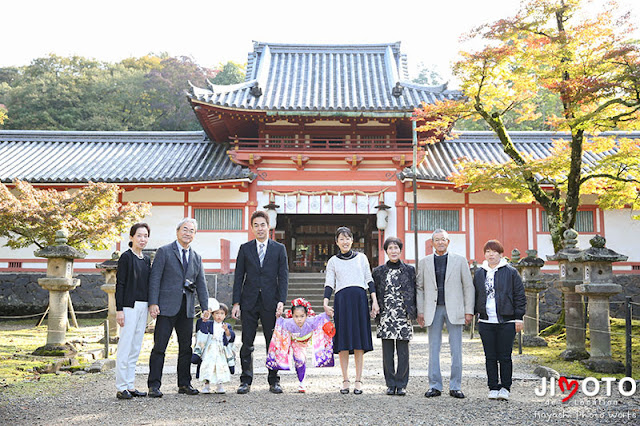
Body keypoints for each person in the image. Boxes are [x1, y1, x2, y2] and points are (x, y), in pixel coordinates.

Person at [147, 218, 210, 398]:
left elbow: (201, 284)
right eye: (185, 229)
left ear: (194, 235)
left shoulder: (196, 257)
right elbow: (155, 278)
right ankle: (154, 385)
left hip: (187, 307)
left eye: (191, 231)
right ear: (177, 231)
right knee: (160, 346)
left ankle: (184, 383)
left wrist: (205, 307)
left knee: (186, 348)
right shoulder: (165, 252)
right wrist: (153, 302)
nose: (187, 233)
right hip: (166, 306)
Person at [232, 210, 289, 394]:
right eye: (255, 225)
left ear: (268, 226)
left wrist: (281, 300)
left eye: (262, 225)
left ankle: (274, 380)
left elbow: (283, 277)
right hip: (249, 301)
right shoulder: (245, 248)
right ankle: (245, 380)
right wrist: (236, 303)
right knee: (247, 342)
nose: (259, 228)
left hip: (270, 302)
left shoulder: (279, 249)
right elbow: (238, 276)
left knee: (272, 343)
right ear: (252, 228)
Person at [417, 229, 474, 399]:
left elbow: (468, 286)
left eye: (443, 240)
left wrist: (468, 310)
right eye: (437, 240)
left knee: (456, 349)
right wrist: (420, 310)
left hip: (455, 308)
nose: (440, 242)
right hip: (432, 309)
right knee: (433, 348)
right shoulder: (424, 262)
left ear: (448, 242)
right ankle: (434, 385)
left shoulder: (459, 260)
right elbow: (419, 287)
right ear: (432, 243)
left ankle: (455, 386)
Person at [323, 226, 379, 395]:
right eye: (341, 238)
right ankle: (345, 379)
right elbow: (329, 283)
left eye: (348, 238)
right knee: (343, 342)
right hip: (342, 302)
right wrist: (325, 303)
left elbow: (369, 279)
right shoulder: (333, 261)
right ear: (337, 242)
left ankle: (359, 380)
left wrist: (374, 301)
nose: (345, 241)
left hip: (360, 300)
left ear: (352, 240)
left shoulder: (362, 258)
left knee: (359, 341)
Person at [474, 239, 526, 401]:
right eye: (488, 251)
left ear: (501, 254)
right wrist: (474, 314)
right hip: (486, 321)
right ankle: (493, 387)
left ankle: (505, 387)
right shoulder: (479, 273)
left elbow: (519, 296)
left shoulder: (510, 272)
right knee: (490, 356)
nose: (491, 254)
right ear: (485, 254)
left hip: (507, 320)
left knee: (504, 356)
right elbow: (475, 295)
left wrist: (519, 318)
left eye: (494, 251)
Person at [372, 237, 416, 396]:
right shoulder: (378, 271)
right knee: (387, 351)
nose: (393, 251)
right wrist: (374, 307)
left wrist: (414, 311)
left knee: (403, 351)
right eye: (390, 248)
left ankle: (402, 384)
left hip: (403, 315)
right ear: (386, 251)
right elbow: (374, 292)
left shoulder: (409, 270)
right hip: (386, 315)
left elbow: (414, 291)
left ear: (400, 250)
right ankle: (390, 384)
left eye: (396, 248)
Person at [114, 223, 152, 400]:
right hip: (129, 306)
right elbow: (120, 284)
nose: (142, 239)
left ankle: (130, 384)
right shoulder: (126, 258)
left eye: (145, 236)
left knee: (136, 346)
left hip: (143, 306)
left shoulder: (146, 259)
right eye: (139, 235)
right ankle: (121, 387)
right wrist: (119, 309)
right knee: (125, 346)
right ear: (131, 237)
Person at [265, 298, 334, 393]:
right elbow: (280, 322)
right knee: (299, 359)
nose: (299, 319)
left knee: (302, 359)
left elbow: (321, 318)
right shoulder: (289, 323)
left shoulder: (311, 321)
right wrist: (278, 317)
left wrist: (327, 314)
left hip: (305, 341)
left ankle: (301, 381)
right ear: (292, 315)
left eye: (302, 316)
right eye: (296, 316)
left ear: (307, 315)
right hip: (294, 341)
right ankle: (301, 381)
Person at [193, 298, 236, 394]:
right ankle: (206, 386)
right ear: (212, 314)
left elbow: (230, 337)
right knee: (208, 366)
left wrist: (227, 331)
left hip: (220, 349)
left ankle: (219, 385)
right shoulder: (209, 324)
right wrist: (204, 319)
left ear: (225, 315)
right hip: (210, 349)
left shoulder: (226, 325)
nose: (219, 316)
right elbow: (201, 330)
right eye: (216, 313)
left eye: (221, 313)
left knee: (220, 366)